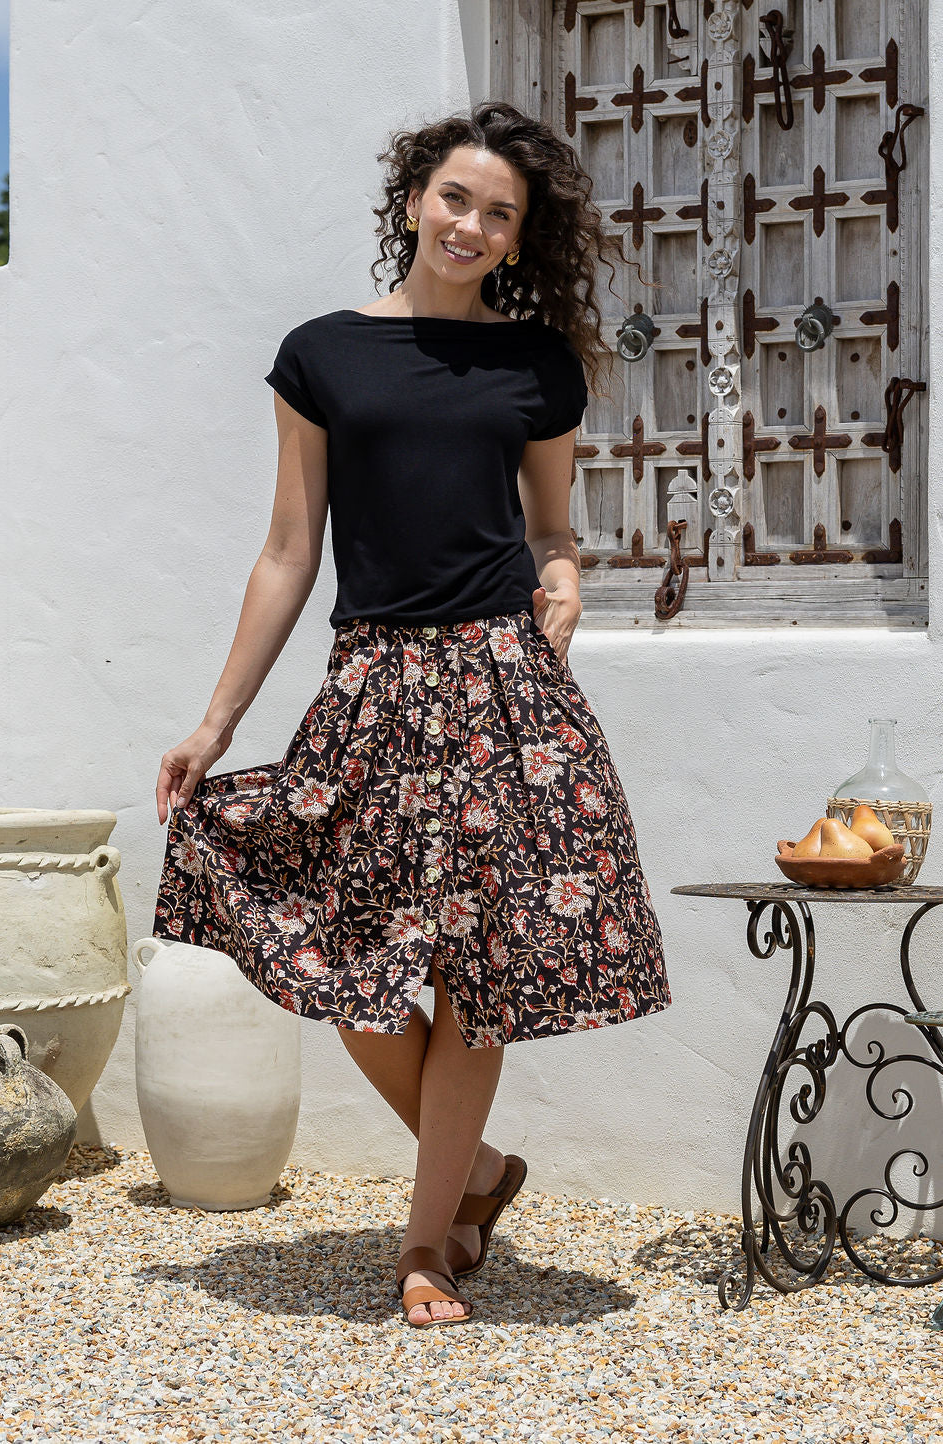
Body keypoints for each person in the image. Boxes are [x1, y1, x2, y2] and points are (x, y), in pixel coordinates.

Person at [152, 99, 671, 1330]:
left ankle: (426, 1242)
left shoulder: (538, 364)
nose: (472, 225)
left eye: (500, 213)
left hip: (502, 687)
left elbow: (549, 523)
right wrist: (217, 722)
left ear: (516, 236)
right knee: (350, 969)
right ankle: (482, 1175)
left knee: (474, 976)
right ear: (412, 199)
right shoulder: (323, 353)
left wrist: (566, 578)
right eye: (456, 198)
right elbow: (289, 548)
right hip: (374, 685)